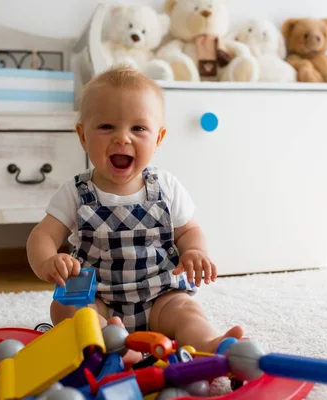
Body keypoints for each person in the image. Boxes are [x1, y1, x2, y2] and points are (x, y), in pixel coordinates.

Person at [26, 67, 243, 354]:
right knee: (65, 309)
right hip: (97, 297)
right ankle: (111, 346)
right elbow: (41, 236)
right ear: (82, 136)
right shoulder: (75, 192)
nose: (122, 138)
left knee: (187, 310)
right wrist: (48, 261)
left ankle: (210, 345)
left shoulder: (166, 186)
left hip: (160, 295)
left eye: (138, 128)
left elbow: (189, 230)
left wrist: (194, 252)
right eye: (106, 127)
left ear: (158, 138)